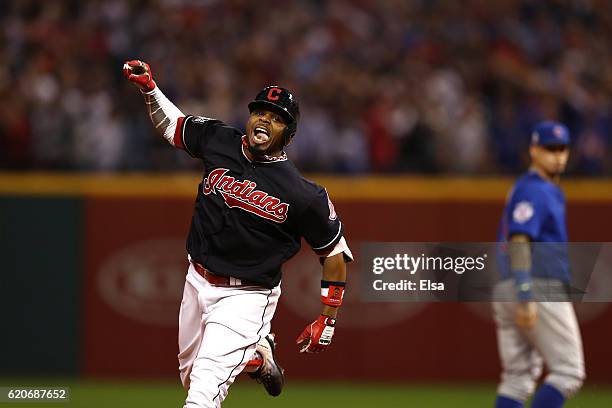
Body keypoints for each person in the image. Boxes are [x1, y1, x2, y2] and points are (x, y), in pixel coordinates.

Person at [122, 60, 352, 408]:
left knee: (202, 392)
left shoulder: (304, 195)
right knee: (190, 375)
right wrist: (149, 88)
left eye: (277, 118)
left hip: (247, 296)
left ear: (288, 135)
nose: (265, 120)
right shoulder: (219, 140)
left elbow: (335, 253)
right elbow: (175, 127)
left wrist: (328, 319)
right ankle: (257, 357)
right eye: (260, 111)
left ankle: (250, 344)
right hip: (196, 279)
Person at [493, 121, 585, 408]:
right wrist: (524, 292)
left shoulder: (530, 188)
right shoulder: (535, 190)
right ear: (534, 151)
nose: (557, 155)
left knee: (517, 378)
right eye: (549, 148)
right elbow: (520, 239)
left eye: (562, 148)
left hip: (507, 286)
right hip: (534, 284)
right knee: (569, 371)